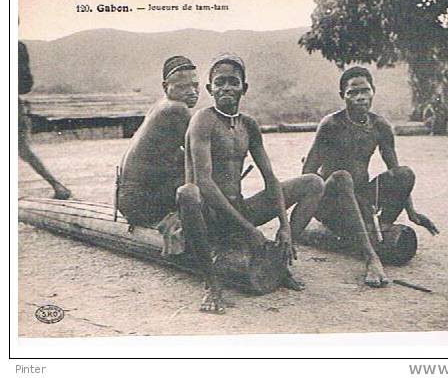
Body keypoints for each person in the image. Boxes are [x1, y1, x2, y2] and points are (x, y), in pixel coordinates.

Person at [179, 53, 324, 314]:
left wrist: (285, 226)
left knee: (313, 183)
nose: (226, 87)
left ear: (243, 88)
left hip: (238, 209)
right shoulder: (203, 120)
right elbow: (205, 182)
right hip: (209, 215)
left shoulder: (248, 125)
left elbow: (271, 179)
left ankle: (280, 264)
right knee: (188, 192)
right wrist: (249, 229)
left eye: (233, 82)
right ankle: (212, 282)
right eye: (219, 82)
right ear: (210, 89)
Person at [303, 66, 439, 288]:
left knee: (405, 174)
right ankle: (370, 257)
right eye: (352, 93)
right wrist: (306, 211)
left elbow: (394, 171)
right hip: (330, 202)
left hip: (361, 197)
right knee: (342, 177)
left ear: (373, 91)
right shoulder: (331, 125)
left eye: (365, 91)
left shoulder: (380, 126)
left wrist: (412, 213)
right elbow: (308, 173)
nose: (360, 98)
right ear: (342, 96)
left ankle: (379, 229)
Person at [118, 55, 199, 227]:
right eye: (182, 87)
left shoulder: (161, 106)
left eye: (195, 85)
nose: (192, 91)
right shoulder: (177, 109)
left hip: (127, 201)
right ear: (165, 86)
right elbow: (199, 155)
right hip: (141, 203)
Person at [18, 41, 71, 199]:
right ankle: (57, 186)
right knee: (24, 151)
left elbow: (24, 85)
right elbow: (25, 85)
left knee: (23, 150)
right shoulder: (18, 47)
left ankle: (58, 186)